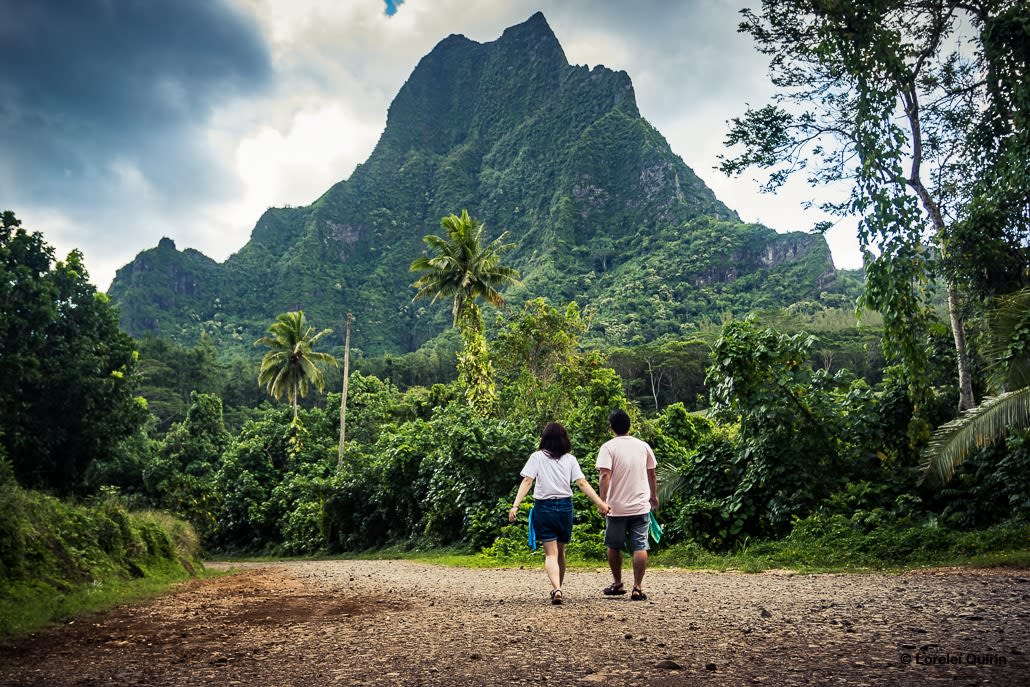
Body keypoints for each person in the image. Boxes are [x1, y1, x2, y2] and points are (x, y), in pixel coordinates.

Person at [508, 421, 609, 605]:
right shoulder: (570, 460)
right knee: (560, 552)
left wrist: (515, 506)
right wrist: (600, 503)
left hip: (544, 508)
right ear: (564, 440)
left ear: (544, 439)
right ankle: (558, 588)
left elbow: (527, 482)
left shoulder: (536, 457)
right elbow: (582, 483)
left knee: (550, 554)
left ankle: (557, 589)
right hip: (564, 508)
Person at [596, 409, 658, 601]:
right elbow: (652, 473)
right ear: (629, 425)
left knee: (614, 545)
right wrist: (653, 496)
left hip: (616, 507)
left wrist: (602, 501)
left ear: (611, 428)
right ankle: (637, 587)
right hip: (640, 506)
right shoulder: (643, 446)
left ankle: (617, 583)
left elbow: (605, 475)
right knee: (640, 545)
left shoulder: (608, 447)